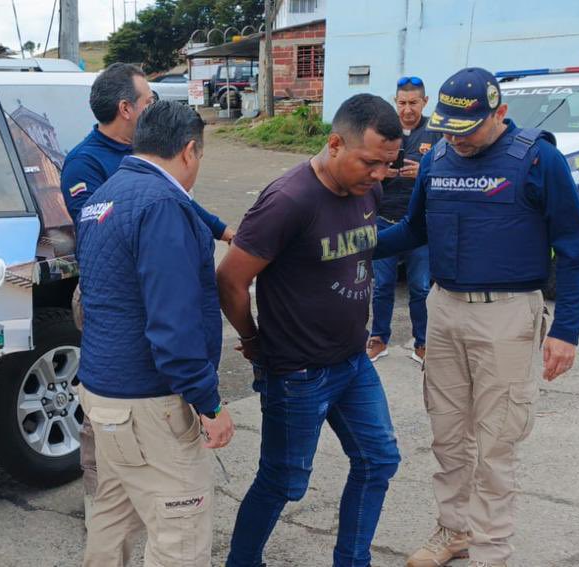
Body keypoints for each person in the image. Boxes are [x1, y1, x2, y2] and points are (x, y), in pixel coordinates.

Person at [375, 68, 579, 567]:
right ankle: (454, 531)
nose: (456, 138)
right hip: (445, 310)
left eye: (467, 128)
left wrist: (566, 331)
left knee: (497, 443)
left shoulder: (539, 159)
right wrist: (350, 245)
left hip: (509, 316)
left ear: (500, 114)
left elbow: (576, 252)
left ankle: (492, 551)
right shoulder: (437, 161)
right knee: (449, 435)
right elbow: (412, 229)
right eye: (447, 127)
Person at [218, 94, 403, 567]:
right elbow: (231, 279)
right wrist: (255, 340)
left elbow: (360, 249)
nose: (379, 175)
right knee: (283, 480)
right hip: (298, 372)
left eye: (387, 165)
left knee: (378, 460)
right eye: (370, 162)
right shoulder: (288, 199)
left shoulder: (368, 190)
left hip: (352, 361)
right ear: (335, 143)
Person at [62, 62, 236, 525]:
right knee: (180, 534)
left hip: (107, 381)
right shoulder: (125, 185)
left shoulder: (125, 181)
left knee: (112, 516)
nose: (151, 107)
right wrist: (208, 402)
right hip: (142, 393)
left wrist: (220, 230)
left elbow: (173, 204)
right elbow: (171, 321)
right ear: (189, 152)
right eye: (148, 101)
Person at [61, 62, 234, 242]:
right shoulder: (83, 164)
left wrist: (226, 234)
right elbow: (96, 233)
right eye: (149, 102)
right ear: (125, 109)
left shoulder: (146, 148)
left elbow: (177, 197)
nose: (154, 108)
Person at [366, 76, 443, 365]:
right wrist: (379, 171)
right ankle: (378, 338)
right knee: (382, 286)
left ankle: (422, 342)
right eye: (402, 103)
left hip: (419, 224)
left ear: (425, 102)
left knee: (421, 287)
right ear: (394, 102)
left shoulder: (435, 133)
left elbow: (447, 170)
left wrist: (424, 170)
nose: (407, 109)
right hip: (383, 220)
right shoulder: (384, 131)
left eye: (413, 103)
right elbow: (364, 164)